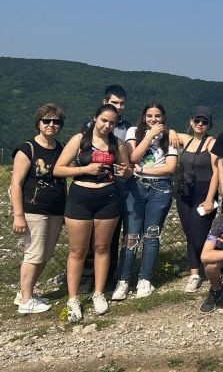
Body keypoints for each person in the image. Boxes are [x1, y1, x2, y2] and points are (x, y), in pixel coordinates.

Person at [54, 104, 132, 322]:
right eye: (104, 120)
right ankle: (73, 298)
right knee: (77, 251)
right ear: (95, 118)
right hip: (80, 197)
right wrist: (84, 169)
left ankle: (99, 293)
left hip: (108, 198)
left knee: (102, 248)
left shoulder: (117, 143)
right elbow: (58, 169)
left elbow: (127, 171)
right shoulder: (80, 140)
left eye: (112, 123)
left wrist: (126, 171)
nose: (107, 126)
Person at [113, 102, 178, 300]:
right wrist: (149, 136)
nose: (153, 119)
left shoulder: (169, 136)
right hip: (136, 187)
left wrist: (142, 170)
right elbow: (133, 156)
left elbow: (170, 168)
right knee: (131, 235)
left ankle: (145, 279)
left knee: (152, 234)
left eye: (157, 116)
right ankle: (123, 280)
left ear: (163, 117)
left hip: (161, 188)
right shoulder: (134, 131)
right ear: (143, 117)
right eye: (149, 116)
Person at [11, 103, 67, 314]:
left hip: (56, 210)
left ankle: (25, 293)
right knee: (34, 254)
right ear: (39, 123)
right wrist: (18, 215)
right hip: (33, 210)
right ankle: (26, 301)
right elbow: (16, 183)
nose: (51, 124)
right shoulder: (27, 149)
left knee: (45, 254)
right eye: (47, 120)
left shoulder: (61, 148)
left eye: (56, 121)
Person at [174, 107, 220, 293]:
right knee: (189, 233)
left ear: (209, 125)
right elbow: (166, 131)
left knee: (200, 236)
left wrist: (209, 199)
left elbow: (217, 172)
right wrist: (170, 132)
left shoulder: (212, 143)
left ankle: (216, 263)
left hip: (203, 192)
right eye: (197, 120)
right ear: (191, 121)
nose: (200, 124)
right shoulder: (186, 140)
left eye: (204, 122)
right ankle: (194, 274)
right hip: (184, 193)